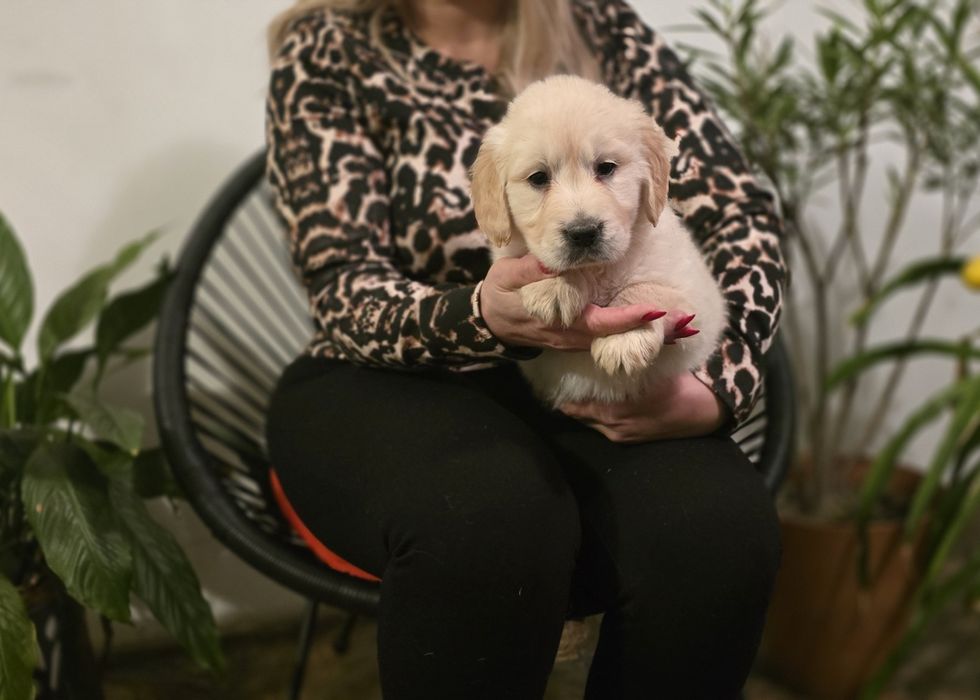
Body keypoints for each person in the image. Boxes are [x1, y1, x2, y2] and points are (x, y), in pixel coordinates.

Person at [264, 0, 785, 697]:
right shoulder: (328, 48)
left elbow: (738, 210)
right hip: (383, 372)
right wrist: (476, 314)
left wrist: (723, 384)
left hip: (570, 366)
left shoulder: (597, 21)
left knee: (717, 521)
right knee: (486, 514)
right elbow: (340, 281)